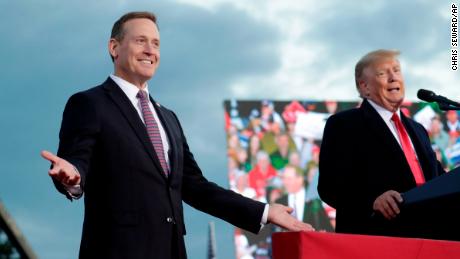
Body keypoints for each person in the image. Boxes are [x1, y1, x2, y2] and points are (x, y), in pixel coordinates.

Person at [40, 11, 313, 259]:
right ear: (114, 47)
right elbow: (76, 162)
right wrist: (73, 177)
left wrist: (264, 212)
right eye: (140, 41)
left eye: (156, 44)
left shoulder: (168, 118)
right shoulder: (89, 103)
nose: (150, 50)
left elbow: (195, 187)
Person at [318, 49, 445, 238]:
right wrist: (371, 201)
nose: (393, 78)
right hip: (376, 238)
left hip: (428, 239)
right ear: (364, 87)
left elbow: (438, 180)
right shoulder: (344, 124)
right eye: (382, 73)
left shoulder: (418, 129)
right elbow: (329, 186)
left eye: (396, 70)